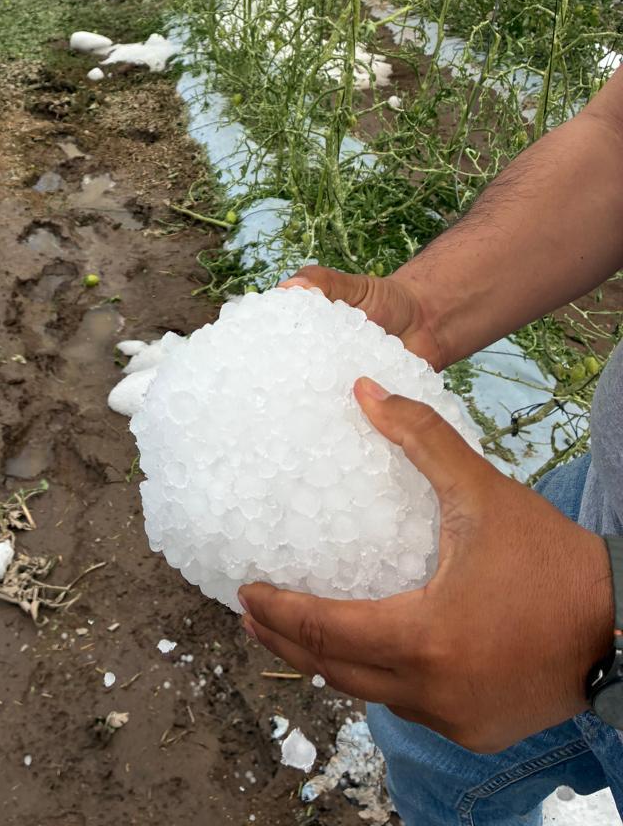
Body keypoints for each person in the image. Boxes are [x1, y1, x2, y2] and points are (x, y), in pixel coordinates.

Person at [239, 67, 623, 823]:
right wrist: (424, 312)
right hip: (602, 499)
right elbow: (618, 135)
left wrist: (602, 613)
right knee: (427, 744)